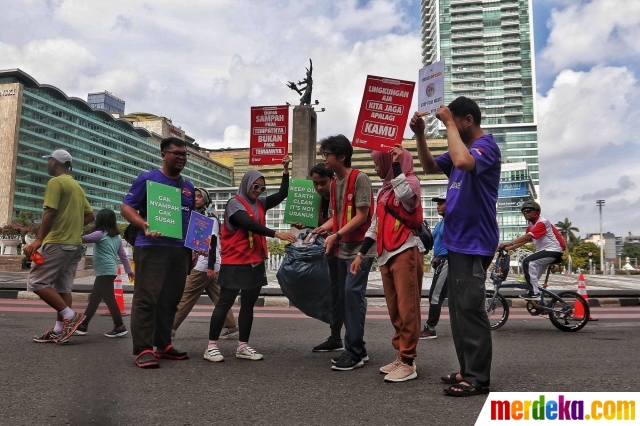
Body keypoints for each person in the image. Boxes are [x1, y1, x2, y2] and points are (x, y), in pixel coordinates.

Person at [411, 96, 501, 397]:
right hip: (457, 241)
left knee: (471, 311)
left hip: (474, 242)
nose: (449, 128)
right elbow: (428, 166)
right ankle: (467, 368)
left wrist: (447, 121)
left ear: (468, 120)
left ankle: (478, 378)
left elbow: (463, 161)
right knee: (460, 311)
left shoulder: (485, 147)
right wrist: (421, 133)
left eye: (453, 121)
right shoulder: (459, 149)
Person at [204, 157, 297, 363]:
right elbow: (247, 224)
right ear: (246, 184)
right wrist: (277, 234)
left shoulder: (261, 203)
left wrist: (285, 170)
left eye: (262, 188)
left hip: (255, 262)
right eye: (255, 186)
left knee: (248, 305)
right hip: (235, 262)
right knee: (224, 303)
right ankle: (211, 346)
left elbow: (282, 194)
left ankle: (243, 346)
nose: (258, 191)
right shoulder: (234, 203)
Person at [351, 145, 425, 382]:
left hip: (405, 249)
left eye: (377, 163)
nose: (376, 168)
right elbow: (374, 225)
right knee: (395, 310)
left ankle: (409, 360)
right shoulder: (384, 192)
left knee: (408, 309)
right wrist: (361, 254)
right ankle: (400, 355)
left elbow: (407, 199)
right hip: (386, 254)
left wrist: (395, 164)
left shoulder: (410, 181)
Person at [121, 137, 196, 369]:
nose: (182, 158)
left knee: (170, 300)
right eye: (177, 153)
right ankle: (143, 348)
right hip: (152, 249)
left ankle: (163, 345)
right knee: (147, 299)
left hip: (180, 251)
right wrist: (143, 224)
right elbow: (126, 207)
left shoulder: (188, 187)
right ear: (163, 154)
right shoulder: (148, 179)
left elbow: (191, 219)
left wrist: (194, 248)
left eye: (185, 154)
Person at [313, 135, 375, 371]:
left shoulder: (360, 178)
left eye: (327, 154)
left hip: (360, 250)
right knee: (344, 298)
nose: (324, 159)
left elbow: (362, 215)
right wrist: (324, 229)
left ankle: (355, 352)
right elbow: (336, 218)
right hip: (342, 250)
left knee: (352, 296)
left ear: (341, 156)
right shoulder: (336, 182)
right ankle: (358, 347)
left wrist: (336, 234)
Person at [24, 149, 94, 344]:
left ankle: (71, 317)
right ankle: (58, 330)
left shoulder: (55, 182)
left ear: (55, 162)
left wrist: (38, 240)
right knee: (63, 287)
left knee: (36, 282)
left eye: (49, 161)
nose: (48, 164)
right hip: (74, 246)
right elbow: (90, 215)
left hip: (57, 242)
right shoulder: (76, 187)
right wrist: (72, 225)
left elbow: (50, 212)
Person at [172, 188, 238, 338]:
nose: (196, 199)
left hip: (205, 264)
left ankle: (170, 328)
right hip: (211, 264)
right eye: (194, 196)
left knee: (186, 296)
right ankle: (232, 326)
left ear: (206, 200)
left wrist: (209, 266)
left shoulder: (210, 217)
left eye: (199, 196)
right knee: (220, 297)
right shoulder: (194, 216)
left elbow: (213, 241)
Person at [292, 163, 345, 352]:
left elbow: (340, 217)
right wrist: (305, 224)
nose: (319, 187)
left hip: (345, 251)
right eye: (316, 184)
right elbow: (321, 222)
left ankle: (354, 342)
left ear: (332, 180)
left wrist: (325, 227)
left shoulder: (339, 195)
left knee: (347, 297)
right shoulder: (319, 199)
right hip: (329, 251)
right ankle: (336, 337)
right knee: (334, 295)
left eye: (323, 183)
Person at [74, 209, 134, 337]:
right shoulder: (117, 237)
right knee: (101, 299)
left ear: (100, 221)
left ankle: (85, 326)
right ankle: (118, 327)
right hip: (110, 271)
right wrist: (129, 271)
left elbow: (80, 239)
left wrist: (72, 229)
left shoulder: (99, 234)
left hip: (104, 271)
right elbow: (123, 256)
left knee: (100, 300)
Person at [498, 201, 566, 300]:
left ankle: (535, 293)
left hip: (553, 250)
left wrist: (509, 243)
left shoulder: (542, 222)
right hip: (543, 252)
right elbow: (526, 240)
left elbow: (529, 236)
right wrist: (507, 249)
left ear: (537, 212)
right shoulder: (531, 224)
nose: (526, 213)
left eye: (529, 211)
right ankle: (540, 305)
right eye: (524, 212)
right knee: (529, 280)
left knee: (527, 262)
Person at [420, 192, 448, 340]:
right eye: (437, 203)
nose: (438, 206)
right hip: (440, 261)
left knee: (435, 295)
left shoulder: (453, 221)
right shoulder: (440, 223)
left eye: (442, 202)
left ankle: (430, 328)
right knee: (441, 295)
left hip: (447, 262)